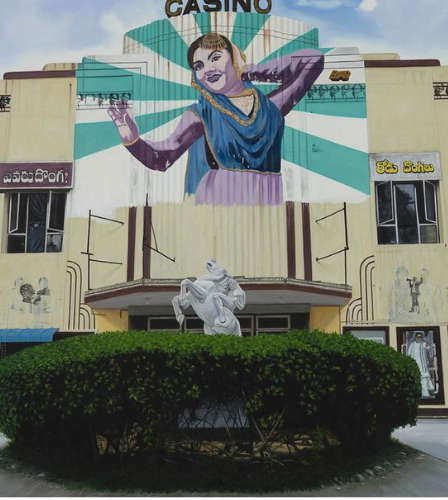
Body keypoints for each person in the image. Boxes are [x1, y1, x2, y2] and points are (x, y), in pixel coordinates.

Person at [108, 32, 324, 206]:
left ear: (234, 57)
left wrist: (247, 70)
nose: (208, 70)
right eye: (199, 66)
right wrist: (132, 141)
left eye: (215, 58)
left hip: (268, 200)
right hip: (218, 204)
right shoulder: (201, 113)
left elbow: (312, 61)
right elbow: (161, 159)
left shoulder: (270, 107)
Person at [407, 332, 434, 398]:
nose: (419, 338)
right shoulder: (412, 345)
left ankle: (425, 394)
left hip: (422, 364)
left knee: (424, 378)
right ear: (415, 337)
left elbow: (428, 347)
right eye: (418, 337)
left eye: (420, 337)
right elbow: (408, 353)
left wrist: (428, 344)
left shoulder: (423, 344)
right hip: (414, 364)